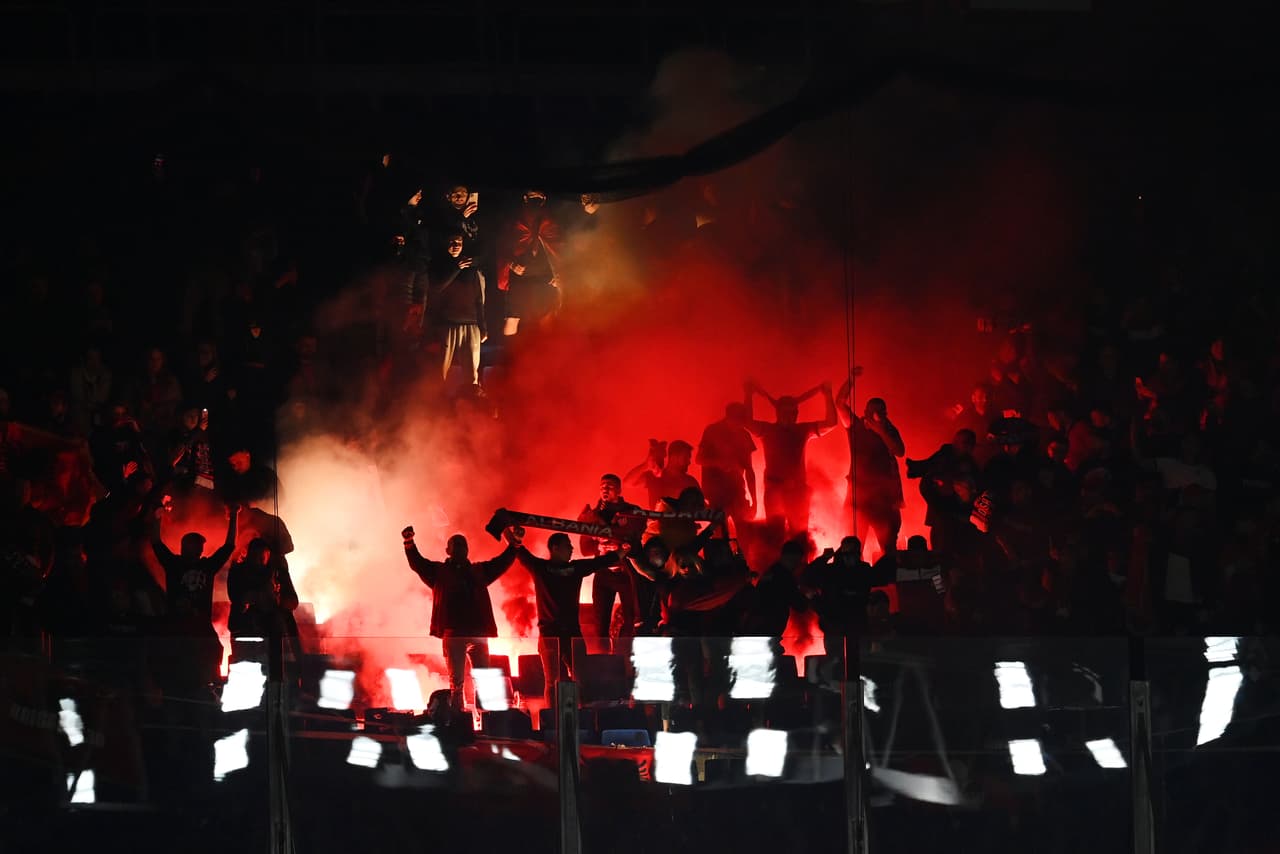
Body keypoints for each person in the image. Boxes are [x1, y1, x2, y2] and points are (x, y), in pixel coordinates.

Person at [401, 524, 519, 709]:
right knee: (457, 685)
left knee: (481, 681)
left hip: (473, 634)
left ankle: (482, 719)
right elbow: (418, 563)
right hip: (455, 634)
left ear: (467, 550)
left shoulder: (476, 571)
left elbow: (501, 562)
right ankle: (459, 719)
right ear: (448, 550)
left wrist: (515, 545)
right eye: (456, 544)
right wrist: (409, 543)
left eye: (462, 544)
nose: (459, 547)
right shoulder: (440, 572)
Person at [514, 529, 620, 703]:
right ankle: (554, 720)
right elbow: (519, 551)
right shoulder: (542, 568)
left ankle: (582, 715)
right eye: (567, 545)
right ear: (554, 548)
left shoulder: (572, 568)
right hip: (551, 635)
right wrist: (510, 534)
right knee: (553, 681)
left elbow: (601, 562)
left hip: (570, 634)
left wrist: (623, 551)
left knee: (579, 679)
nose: (572, 548)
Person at [743, 379, 838, 536]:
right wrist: (748, 394)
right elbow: (747, 422)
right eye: (786, 412)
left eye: (793, 412)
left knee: (800, 537)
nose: (790, 415)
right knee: (775, 536)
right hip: (775, 490)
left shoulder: (803, 430)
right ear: (778, 413)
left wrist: (828, 395)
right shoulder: (768, 430)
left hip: (798, 491)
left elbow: (831, 423)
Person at [838, 371, 906, 556]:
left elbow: (899, 451)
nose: (877, 415)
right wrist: (850, 379)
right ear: (866, 412)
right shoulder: (855, 426)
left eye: (881, 412)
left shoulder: (889, 430)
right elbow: (840, 404)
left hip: (882, 499)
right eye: (873, 411)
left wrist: (880, 429)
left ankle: (887, 580)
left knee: (888, 546)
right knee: (853, 546)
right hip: (858, 496)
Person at [576, 473, 643, 647]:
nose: (605, 489)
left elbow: (640, 542)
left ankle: (627, 661)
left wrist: (621, 546)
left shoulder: (631, 512)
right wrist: (598, 548)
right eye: (602, 486)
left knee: (631, 619)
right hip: (603, 575)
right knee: (601, 624)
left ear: (619, 490)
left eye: (610, 486)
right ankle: (603, 664)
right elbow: (584, 549)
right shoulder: (592, 515)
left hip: (625, 573)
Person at [496, 190, 562, 336]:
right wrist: (511, 263)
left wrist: (559, 273)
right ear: (525, 198)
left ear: (544, 199)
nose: (535, 201)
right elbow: (502, 246)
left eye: (539, 198)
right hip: (519, 278)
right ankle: (510, 355)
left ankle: (549, 354)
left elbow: (559, 249)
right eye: (532, 197)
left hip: (544, 279)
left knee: (546, 318)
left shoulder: (550, 221)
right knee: (512, 318)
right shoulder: (514, 221)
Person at [428, 233, 487, 390]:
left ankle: (473, 402)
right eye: (452, 242)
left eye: (459, 242)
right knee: (440, 370)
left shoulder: (472, 269)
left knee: (472, 372)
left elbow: (479, 299)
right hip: (447, 324)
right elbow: (436, 288)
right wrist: (456, 268)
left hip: (471, 324)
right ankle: (437, 405)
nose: (455, 245)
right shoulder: (438, 265)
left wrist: (483, 326)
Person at [696, 402, 758, 531]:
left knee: (745, 536)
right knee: (719, 536)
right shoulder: (712, 431)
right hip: (716, 495)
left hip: (737, 494)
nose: (739, 425)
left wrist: (755, 500)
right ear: (728, 417)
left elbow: (749, 470)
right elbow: (699, 459)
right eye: (737, 420)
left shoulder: (744, 435)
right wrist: (719, 462)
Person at [625, 438, 700, 511]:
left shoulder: (690, 482)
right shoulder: (654, 477)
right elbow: (628, 482)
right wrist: (646, 465)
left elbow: (700, 507)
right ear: (674, 457)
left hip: (683, 523)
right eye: (686, 458)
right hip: (658, 523)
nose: (689, 462)